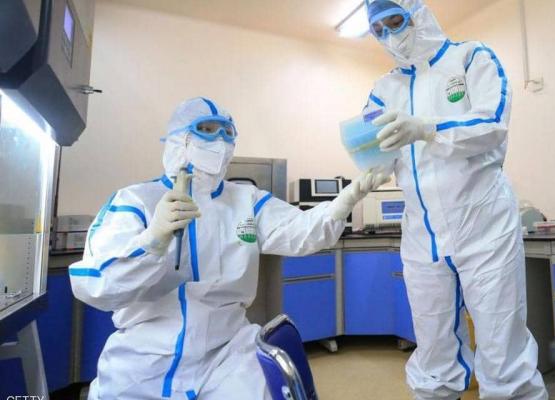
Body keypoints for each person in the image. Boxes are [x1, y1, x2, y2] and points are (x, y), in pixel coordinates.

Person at [69, 97, 387, 399]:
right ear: (179, 140)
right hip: (146, 356)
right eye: (207, 130)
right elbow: (97, 285)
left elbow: (301, 231)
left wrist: (347, 199)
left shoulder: (246, 200)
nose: (220, 141)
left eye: (227, 132)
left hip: (228, 350)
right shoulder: (135, 201)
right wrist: (152, 241)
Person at [362, 1, 548, 399]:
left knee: (502, 349)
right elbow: (373, 147)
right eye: (379, 30)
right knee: (433, 351)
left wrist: (427, 129)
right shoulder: (383, 90)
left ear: (418, 14)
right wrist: (370, 167)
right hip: (422, 237)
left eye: (396, 21)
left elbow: (492, 123)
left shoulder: (471, 57)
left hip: (484, 228)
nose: (391, 35)